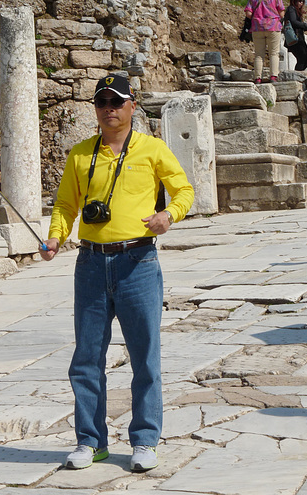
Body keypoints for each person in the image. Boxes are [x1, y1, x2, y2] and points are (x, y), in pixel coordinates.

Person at [39, 74, 194, 473]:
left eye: (117, 100)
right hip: (91, 263)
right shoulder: (79, 154)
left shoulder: (152, 150)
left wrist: (168, 216)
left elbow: (184, 191)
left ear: (132, 106)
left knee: (144, 357)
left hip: (137, 263)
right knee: (86, 358)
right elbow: (64, 206)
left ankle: (144, 440)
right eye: (102, 101)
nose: (109, 108)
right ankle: (91, 442)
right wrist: (55, 238)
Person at [244, 0, 285, 84]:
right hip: (273, 27)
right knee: (274, 53)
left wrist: (258, 18)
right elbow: (282, 13)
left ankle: (257, 78)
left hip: (257, 28)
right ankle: (273, 77)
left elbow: (248, 13)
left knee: (258, 54)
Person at [284, 0, 307, 71]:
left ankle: (298, 75)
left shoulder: (296, 11)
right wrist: (305, 24)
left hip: (299, 38)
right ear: (294, 1)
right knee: (303, 59)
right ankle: (297, 76)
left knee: (306, 59)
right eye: (299, 1)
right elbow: (293, 22)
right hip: (295, 39)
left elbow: (298, 25)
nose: (301, 3)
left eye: (302, 1)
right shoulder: (291, 9)